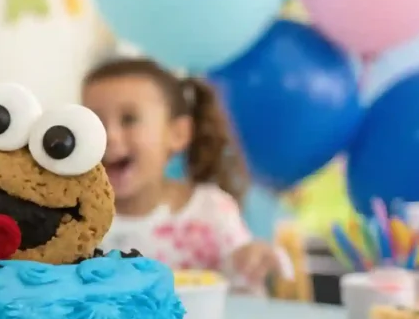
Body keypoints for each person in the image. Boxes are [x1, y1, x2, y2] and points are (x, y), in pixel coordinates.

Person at [82, 57, 281, 290]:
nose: (110, 135)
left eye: (129, 119)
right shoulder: (74, 218)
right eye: (94, 122)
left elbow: (243, 282)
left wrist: (252, 259)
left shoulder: (211, 211)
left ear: (177, 133)